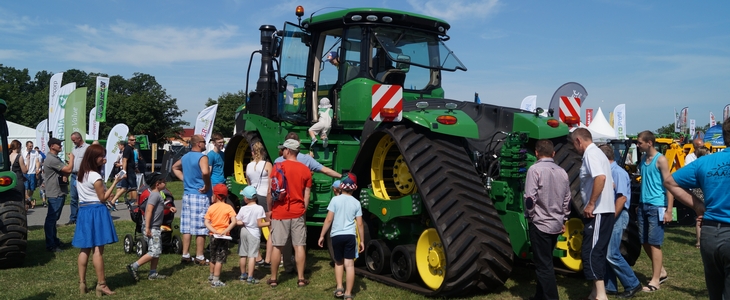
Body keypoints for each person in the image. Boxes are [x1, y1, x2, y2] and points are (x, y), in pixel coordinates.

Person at [664, 121, 730, 300]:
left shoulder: (706, 162)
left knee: (715, 293)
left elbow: (670, 181)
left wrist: (699, 206)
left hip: (710, 235)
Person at [274, 132, 341, 274]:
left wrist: (270, 208)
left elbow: (272, 187)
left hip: (281, 206)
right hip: (299, 205)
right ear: (298, 144)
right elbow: (325, 170)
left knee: (283, 241)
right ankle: (301, 271)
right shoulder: (305, 160)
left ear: (286, 146)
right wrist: (342, 176)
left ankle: (287, 266)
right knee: (299, 241)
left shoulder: (278, 161)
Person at [71, 144, 123, 296]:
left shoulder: (81, 174)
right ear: (94, 158)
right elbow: (102, 198)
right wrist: (115, 182)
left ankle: (82, 283)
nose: (104, 158)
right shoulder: (95, 175)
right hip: (96, 211)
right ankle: (102, 284)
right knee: (98, 250)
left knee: (84, 248)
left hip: (84, 211)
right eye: (101, 156)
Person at [571, 128, 615, 300]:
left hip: (598, 212)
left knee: (591, 252)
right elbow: (610, 184)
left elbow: (601, 178)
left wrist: (591, 204)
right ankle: (595, 292)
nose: (575, 148)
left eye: (574, 144)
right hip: (604, 211)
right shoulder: (600, 154)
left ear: (578, 141)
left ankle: (601, 295)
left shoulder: (590, 154)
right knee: (596, 251)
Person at [523, 140, 570, 300]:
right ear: (553, 153)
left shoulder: (534, 170)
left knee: (544, 266)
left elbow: (530, 198)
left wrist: (530, 215)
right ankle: (540, 296)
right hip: (556, 223)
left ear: (536, 153)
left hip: (540, 223)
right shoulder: (562, 172)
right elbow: (567, 199)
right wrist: (564, 219)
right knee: (546, 260)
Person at [267, 139, 313, 288]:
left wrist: (270, 210)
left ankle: (273, 278)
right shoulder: (305, 169)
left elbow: (270, 191)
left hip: (280, 211)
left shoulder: (277, 167)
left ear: (288, 151)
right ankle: (300, 278)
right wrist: (303, 209)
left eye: (283, 149)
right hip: (298, 211)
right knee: (299, 245)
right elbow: (307, 195)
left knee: (277, 246)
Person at [598, 144, 642, 298]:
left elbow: (622, 198)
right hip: (612, 216)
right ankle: (610, 286)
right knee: (606, 253)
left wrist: (611, 218)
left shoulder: (618, 173)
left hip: (617, 215)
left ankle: (632, 283)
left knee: (611, 253)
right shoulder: (610, 172)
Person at [318, 173, 365, 299]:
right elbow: (360, 223)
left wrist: (322, 235)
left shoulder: (335, 200)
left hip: (336, 236)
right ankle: (348, 294)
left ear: (341, 187)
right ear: (354, 188)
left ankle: (339, 288)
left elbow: (328, 219)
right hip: (350, 235)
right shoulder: (356, 203)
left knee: (338, 262)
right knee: (349, 265)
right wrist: (362, 241)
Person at [636, 130, 672, 292]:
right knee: (644, 241)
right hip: (644, 205)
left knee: (654, 243)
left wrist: (669, 210)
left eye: (640, 143)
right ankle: (661, 271)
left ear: (649, 142)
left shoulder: (661, 160)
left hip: (657, 206)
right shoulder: (643, 159)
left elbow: (670, 185)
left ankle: (656, 280)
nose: (638, 145)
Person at [126, 173, 175, 282]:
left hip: (155, 226)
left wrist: (168, 207)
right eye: (163, 181)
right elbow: (149, 210)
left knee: (157, 250)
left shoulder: (158, 194)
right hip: (152, 227)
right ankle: (134, 266)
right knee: (154, 251)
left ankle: (153, 272)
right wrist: (147, 227)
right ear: (157, 184)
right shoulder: (154, 195)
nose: (165, 183)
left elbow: (159, 206)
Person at [172, 134, 212, 265]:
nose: (205, 144)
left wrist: (185, 178)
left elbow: (174, 167)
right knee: (201, 226)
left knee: (187, 226)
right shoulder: (202, 157)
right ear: (198, 143)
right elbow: (205, 172)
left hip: (187, 194)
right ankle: (200, 256)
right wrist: (206, 185)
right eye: (204, 142)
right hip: (199, 195)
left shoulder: (185, 157)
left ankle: (185, 254)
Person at [43, 138, 74, 252]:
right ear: (52, 146)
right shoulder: (52, 159)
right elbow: (69, 169)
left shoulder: (54, 158)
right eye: (58, 144)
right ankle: (50, 244)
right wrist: (72, 159)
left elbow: (66, 171)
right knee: (51, 219)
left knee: (54, 218)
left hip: (58, 191)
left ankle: (54, 241)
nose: (60, 145)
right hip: (55, 192)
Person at [204, 183, 237, 287]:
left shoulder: (211, 207)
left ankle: (211, 275)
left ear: (216, 195)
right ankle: (216, 280)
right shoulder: (229, 207)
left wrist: (214, 230)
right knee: (220, 259)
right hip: (224, 236)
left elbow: (206, 222)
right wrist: (225, 230)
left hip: (213, 236)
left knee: (213, 257)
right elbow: (234, 221)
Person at [246, 142, 272, 267]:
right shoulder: (267, 165)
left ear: (252, 153)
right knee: (271, 228)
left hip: (253, 197)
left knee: (253, 228)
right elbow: (271, 187)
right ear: (263, 152)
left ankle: (257, 257)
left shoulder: (249, 166)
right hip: (264, 197)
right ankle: (268, 258)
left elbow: (248, 184)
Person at [236, 186, 268, 284]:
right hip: (254, 233)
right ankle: (250, 277)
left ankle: (243, 274)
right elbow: (259, 224)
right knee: (252, 256)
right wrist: (270, 223)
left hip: (244, 231)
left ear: (246, 198)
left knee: (243, 254)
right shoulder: (259, 208)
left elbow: (238, 221)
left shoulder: (243, 208)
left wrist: (244, 222)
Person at [67, 132, 89, 225]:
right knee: (73, 197)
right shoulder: (74, 149)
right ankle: (73, 218)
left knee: (83, 197)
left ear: (79, 138)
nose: (73, 142)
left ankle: (83, 217)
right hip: (73, 175)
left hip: (83, 175)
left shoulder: (87, 148)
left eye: (74, 140)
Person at [10, 140, 28, 209]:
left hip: (11, 179)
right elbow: (24, 170)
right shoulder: (19, 157)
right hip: (18, 179)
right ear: (18, 146)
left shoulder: (8, 156)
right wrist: (28, 162)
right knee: (20, 200)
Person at [109, 141, 127, 209]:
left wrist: (121, 164)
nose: (118, 147)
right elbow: (116, 161)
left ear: (122, 145)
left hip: (126, 170)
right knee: (119, 184)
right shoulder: (120, 153)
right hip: (122, 170)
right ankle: (115, 201)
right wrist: (119, 163)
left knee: (124, 186)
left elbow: (127, 162)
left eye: (119, 145)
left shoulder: (126, 152)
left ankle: (114, 200)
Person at [23, 141, 41, 209]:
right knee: (26, 188)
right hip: (26, 173)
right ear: (26, 146)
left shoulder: (35, 152)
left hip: (33, 172)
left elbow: (37, 161)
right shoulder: (23, 152)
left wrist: (37, 168)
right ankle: (30, 201)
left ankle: (28, 199)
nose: (31, 147)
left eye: (32, 146)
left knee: (32, 188)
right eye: (30, 146)